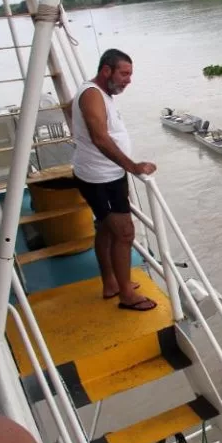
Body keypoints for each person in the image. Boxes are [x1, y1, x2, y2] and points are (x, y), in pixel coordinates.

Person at [69, 49, 157, 311]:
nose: (128, 80)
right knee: (125, 233)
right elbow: (99, 137)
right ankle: (127, 295)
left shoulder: (100, 94)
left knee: (106, 229)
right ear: (106, 70)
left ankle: (111, 283)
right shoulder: (92, 94)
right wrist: (132, 166)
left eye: (130, 74)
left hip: (108, 174)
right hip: (100, 178)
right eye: (124, 73)